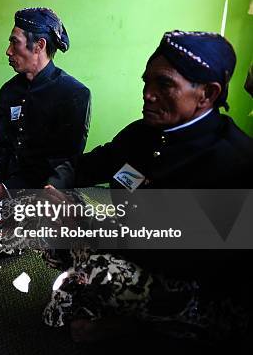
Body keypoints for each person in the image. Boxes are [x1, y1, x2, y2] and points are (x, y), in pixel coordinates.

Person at [43, 31, 253, 347]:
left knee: (98, 266)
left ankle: (147, 329)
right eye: (146, 82)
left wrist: (91, 226)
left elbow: (185, 259)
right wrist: (53, 189)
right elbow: (85, 165)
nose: (148, 94)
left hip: (198, 285)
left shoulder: (233, 161)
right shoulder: (144, 134)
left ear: (207, 94)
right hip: (137, 241)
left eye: (164, 84)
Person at [0, 7, 91, 254]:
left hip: (45, 188)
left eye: (15, 43)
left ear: (39, 46)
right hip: (9, 177)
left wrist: (7, 188)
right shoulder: (9, 91)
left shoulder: (74, 94)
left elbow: (64, 164)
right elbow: (1, 144)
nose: (8, 51)